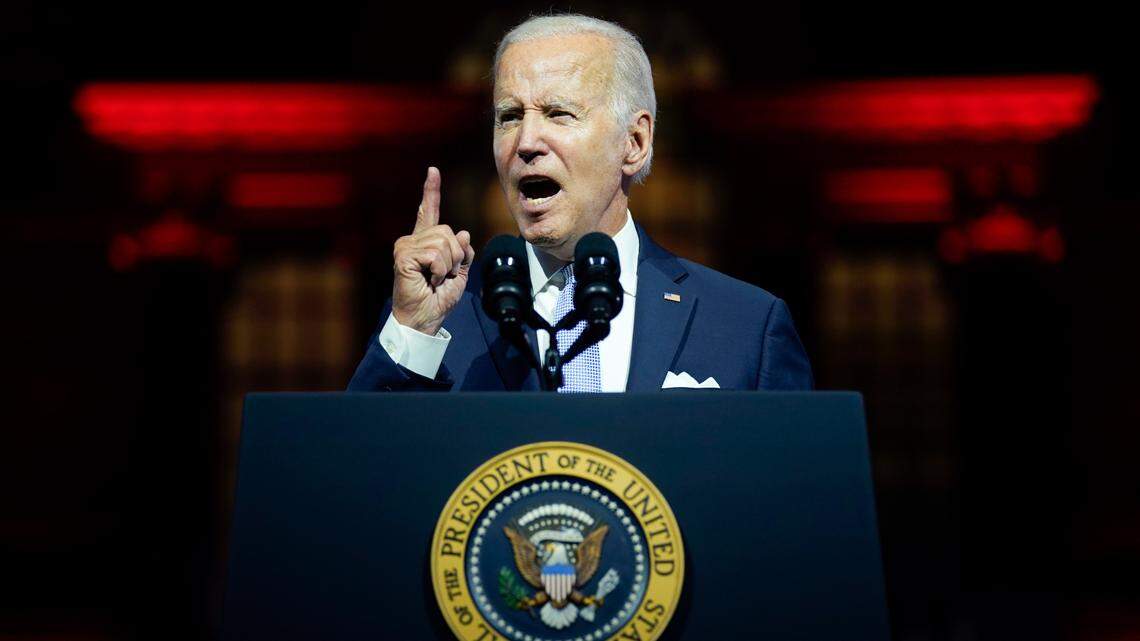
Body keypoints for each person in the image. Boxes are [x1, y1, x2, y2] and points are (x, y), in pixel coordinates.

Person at [348, 14, 812, 392]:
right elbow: (363, 475)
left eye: (558, 114)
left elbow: (793, 495)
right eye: (509, 117)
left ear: (634, 142)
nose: (526, 141)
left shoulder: (745, 326)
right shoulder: (443, 318)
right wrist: (411, 328)